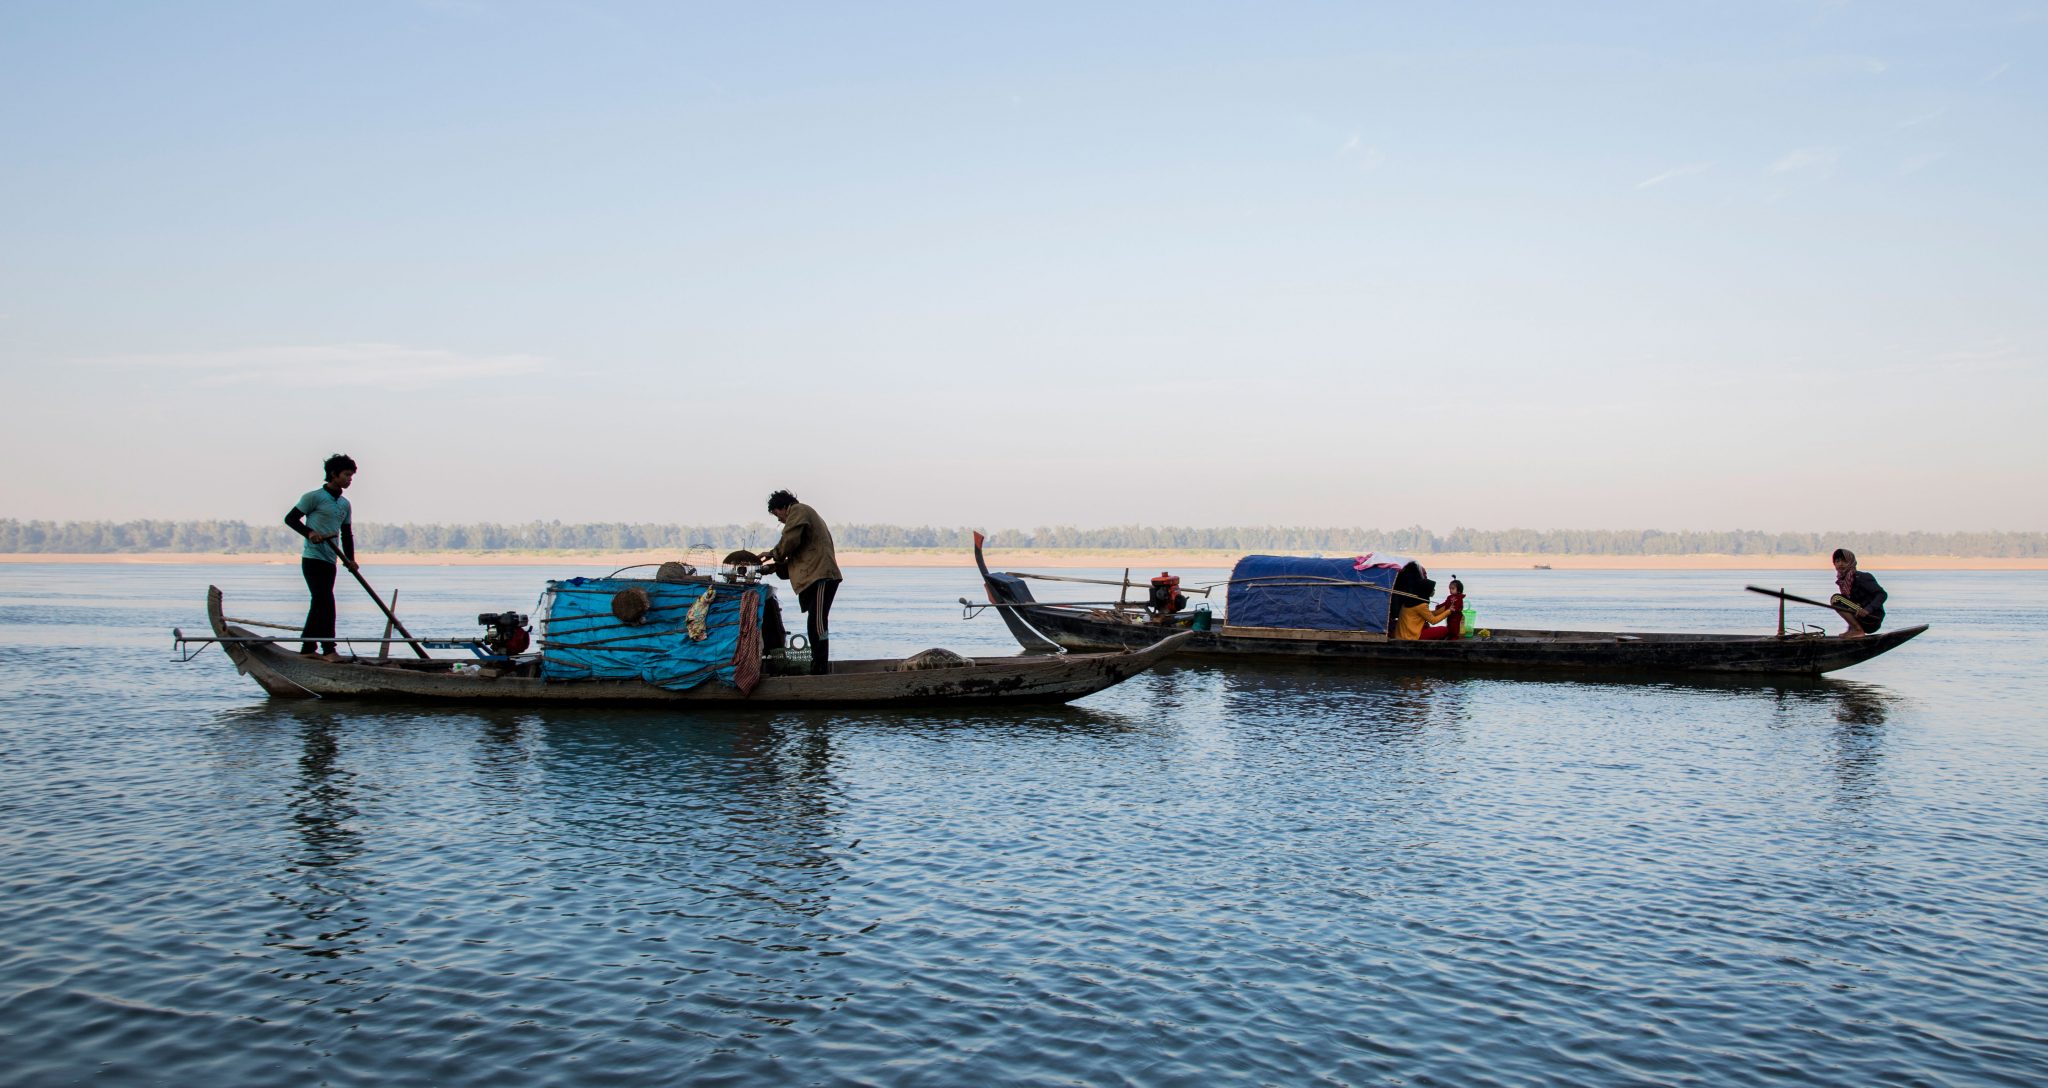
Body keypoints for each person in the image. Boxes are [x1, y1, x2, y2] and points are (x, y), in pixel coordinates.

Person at [760, 490, 842, 674]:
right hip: (816, 575)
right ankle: (818, 665)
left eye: (777, 515)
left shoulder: (798, 511)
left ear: (783, 507)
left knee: (817, 623)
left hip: (822, 576)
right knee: (814, 623)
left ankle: (820, 668)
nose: (780, 520)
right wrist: (776, 566)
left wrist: (774, 554)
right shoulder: (802, 515)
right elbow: (800, 557)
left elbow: (789, 540)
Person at [284, 453, 358, 658]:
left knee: (320, 601)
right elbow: (290, 519)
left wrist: (351, 560)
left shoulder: (344, 504)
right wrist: (310, 533)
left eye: (351, 476)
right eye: (346, 475)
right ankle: (329, 648)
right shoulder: (314, 497)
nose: (349, 479)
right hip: (313, 558)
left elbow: (347, 533)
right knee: (325, 600)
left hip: (330, 560)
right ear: (333, 475)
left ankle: (308, 648)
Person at [1829, 547, 1887, 638]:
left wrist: (1868, 609)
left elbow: (1882, 594)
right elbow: (1850, 604)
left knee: (1836, 598)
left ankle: (1857, 630)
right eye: (1837, 561)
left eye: (1844, 561)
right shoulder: (1843, 582)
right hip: (1861, 618)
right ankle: (1853, 629)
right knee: (1840, 600)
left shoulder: (1862, 577)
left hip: (1872, 618)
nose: (1840, 564)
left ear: (1851, 562)